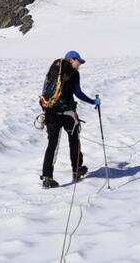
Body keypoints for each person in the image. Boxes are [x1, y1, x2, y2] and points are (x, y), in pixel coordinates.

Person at [39, 50, 99, 189]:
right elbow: (78, 93)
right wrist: (93, 102)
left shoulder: (54, 69)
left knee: (52, 145)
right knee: (74, 139)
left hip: (50, 112)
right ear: (72, 60)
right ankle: (77, 168)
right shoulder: (74, 73)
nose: (80, 65)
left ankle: (47, 177)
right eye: (79, 62)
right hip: (67, 113)